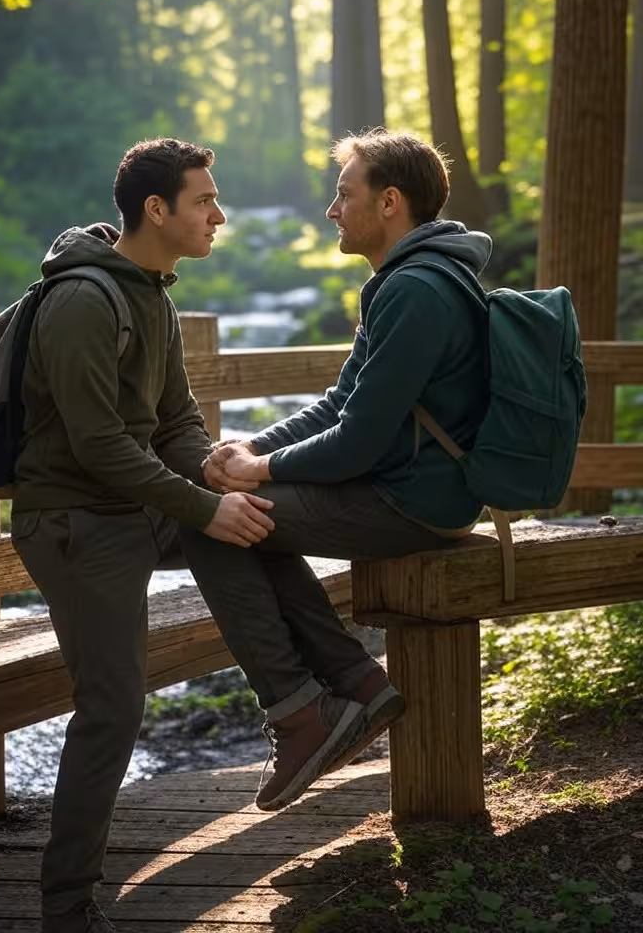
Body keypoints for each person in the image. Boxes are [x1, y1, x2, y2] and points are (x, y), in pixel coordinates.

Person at [178, 128, 492, 813]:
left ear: (388, 203)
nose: (331, 210)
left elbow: (356, 442)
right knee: (242, 515)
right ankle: (356, 683)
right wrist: (251, 451)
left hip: (415, 502)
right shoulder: (405, 281)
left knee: (210, 524)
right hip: (410, 488)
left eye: (343, 194)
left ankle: (301, 714)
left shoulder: (418, 291)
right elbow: (339, 402)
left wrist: (256, 473)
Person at [10, 138, 277, 933]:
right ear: (155, 210)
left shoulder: (153, 296)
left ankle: (308, 707)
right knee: (113, 706)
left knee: (272, 521)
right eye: (204, 201)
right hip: (74, 522)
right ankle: (66, 905)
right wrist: (201, 508)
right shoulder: (85, 302)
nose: (218, 215)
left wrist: (220, 467)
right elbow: (97, 445)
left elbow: (175, 424)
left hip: (126, 509)